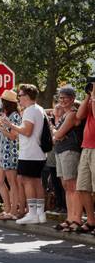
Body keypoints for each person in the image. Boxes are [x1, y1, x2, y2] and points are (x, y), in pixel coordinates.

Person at [1, 84, 47, 224]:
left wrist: (10, 125)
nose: (18, 98)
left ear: (26, 96)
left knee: (27, 181)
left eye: (19, 95)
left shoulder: (29, 111)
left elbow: (27, 131)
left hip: (30, 153)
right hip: (37, 152)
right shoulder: (39, 109)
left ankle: (32, 213)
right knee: (36, 182)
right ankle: (39, 213)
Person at [50, 87, 84, 232]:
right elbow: (55, 135)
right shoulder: (64, 115)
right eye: (60, 98)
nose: (62, 100)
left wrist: (56, 133)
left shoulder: (72, 115)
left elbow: (57, 135)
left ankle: (77, 218)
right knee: (66, 185)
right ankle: (69, 218)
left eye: (65, 97)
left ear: (72, 99)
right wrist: (56, 133)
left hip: (69, 151)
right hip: (60, 151)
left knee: (72, 186)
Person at [0, 90, 23, 220]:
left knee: (12, 182)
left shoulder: (15, 116)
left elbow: (14, 136)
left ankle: (13, 210)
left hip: (10, 152)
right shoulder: (7, 114)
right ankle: (7, 208)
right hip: (2, 153)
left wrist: (2, 129)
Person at [75, 82, 95, 234]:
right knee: (82, 187)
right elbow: (79, 115)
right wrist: (88, 95)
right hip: (86, 147)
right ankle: (90, 221)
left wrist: (93, 99)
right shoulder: (90, 99)